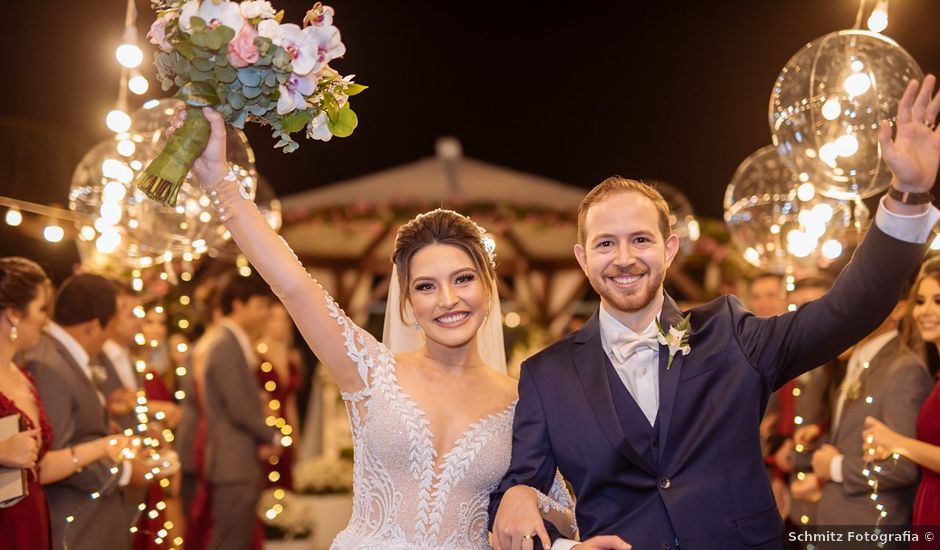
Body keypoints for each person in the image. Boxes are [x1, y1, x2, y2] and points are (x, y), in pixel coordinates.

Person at [491, 76, 940, 550]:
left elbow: (846, 312)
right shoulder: (546, 375)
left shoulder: (730, 333)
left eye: (640, 239)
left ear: (669, 249)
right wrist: (561, 544)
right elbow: (515, 504)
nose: (624, 258)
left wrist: (907, 195)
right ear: (584, 258)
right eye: (606, 243)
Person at [168, 107, 576, 549]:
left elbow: (571, 518)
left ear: (489, 286)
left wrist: (524, 496)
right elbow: (294, 286)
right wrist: (220, 183)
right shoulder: (370, 370)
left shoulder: (523, 403)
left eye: (463, 279)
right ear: (407, 300)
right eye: (426, 286)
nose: (447, 300)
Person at [2, 264, 131, 550]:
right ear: (13, 313)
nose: (46, 322)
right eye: (41, 309)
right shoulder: (44, 364)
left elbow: (43, 466)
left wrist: (105, 446)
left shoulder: (23, 376)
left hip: (33, 517)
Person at [809, 298, 930, 527]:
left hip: (871, 526)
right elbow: (847, 437)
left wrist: (837, 467)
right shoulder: (858, 361)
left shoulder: (905, 370)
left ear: (899, 309)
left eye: (869, 296)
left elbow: (903, 467)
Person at [185, 274, 275, 550]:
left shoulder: (230, 341)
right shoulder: (225, 344)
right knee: (230, 542)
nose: (266, 313)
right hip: (231, 464)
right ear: (238, 305)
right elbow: (239, 408)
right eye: (260, 305)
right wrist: (272, 437)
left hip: (234, 461)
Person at [863, 256, 940, 540]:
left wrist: (897, 442)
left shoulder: (907, 370)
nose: (925, 311)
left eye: (938, 301)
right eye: (920, 301)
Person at [255, 302, 302, 490]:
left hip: (285, 426)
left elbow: (290, 401)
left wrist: (295, 435)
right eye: (275, 318)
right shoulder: (255, 353)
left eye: (284, 318)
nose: (281, 323)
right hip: (265, 426)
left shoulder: (291, 357)